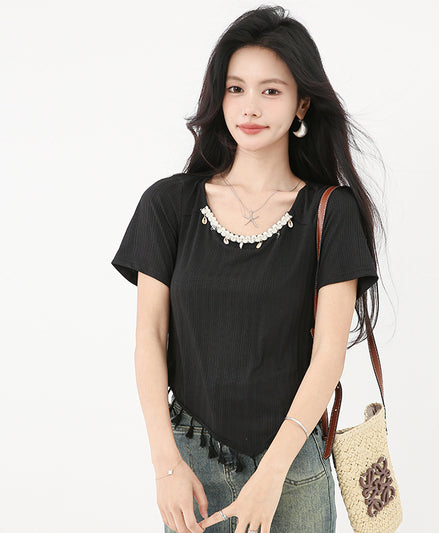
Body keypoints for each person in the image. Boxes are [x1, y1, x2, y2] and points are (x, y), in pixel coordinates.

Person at [111, 5, 383, 533]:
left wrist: (272, 474)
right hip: (190, 465)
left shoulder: (331, 211)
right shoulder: (168, 204)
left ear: (302, 103)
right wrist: (165, 463)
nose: (250, 107)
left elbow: (330, 353)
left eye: (271, 90)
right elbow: (149, 337)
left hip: (293, 466)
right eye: (236, 89)